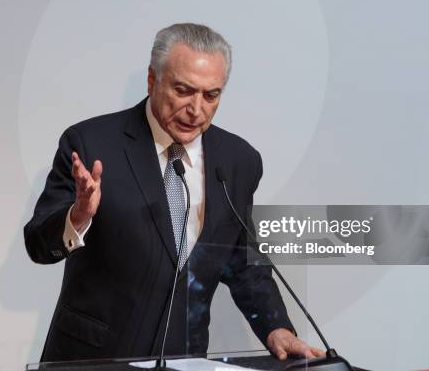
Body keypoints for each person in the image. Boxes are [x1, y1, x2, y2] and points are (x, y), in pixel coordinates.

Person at [24, 23, 324, 362]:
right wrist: (77, 218)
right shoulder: (90, 144)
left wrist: (277, 328)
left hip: (184, 360)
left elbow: (242, 261)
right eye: (183, 90)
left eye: (211, 95)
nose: (197, 109)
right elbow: (37, 245)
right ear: (153, 80)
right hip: (94, 358)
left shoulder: (238, 160)